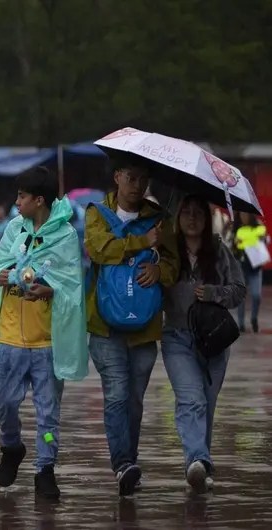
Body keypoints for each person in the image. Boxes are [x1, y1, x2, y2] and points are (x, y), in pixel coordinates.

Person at [0, 168, 88, 499]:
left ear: (39, 200)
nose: (17, 202)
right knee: (6, 404)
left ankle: (45, 467)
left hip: (47, 341)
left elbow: (72, 285)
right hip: (10, 337)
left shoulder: (66, 236)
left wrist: (49, 290)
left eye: (22, 196)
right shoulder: (14, 229)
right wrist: (0, 277)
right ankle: (11, 446)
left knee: (48, 413)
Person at [84, 156, 179, 496]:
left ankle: (129, 464)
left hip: (144, 327)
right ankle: (122, 464)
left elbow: (174, 265)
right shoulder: (97, 213)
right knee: (116, 395)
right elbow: (99, 250)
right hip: (104, 325)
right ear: (117, 177)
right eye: (131, 178)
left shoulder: (160, 219)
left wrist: (159, 270)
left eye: (143, 179)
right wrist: (142, 242)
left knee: (135, 400)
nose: (137, 185)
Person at [162, 195, 245, 493]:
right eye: (186, 212)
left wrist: (213, 293)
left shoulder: (219, 251)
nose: (192, 218)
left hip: (214, 342)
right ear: (178, 217)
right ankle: (195, 461)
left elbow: (238, 290)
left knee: (206, 405)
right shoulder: (167, 252)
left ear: (207, 219)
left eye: (198, 213)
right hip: (176, 338)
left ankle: (201, 466)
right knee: (191, 400)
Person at [234, 212, 267, 333]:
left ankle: (254, 318)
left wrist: (251, 239)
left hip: (255, 267)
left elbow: (262, 240)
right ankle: (241, 323)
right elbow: (236, 246)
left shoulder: (258, 227)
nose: (244, 217)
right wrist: (237, 242)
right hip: (241, 266)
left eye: (246, 214)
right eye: (241, 214)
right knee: (241, 296)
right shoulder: (237, 228)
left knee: (256, 295)